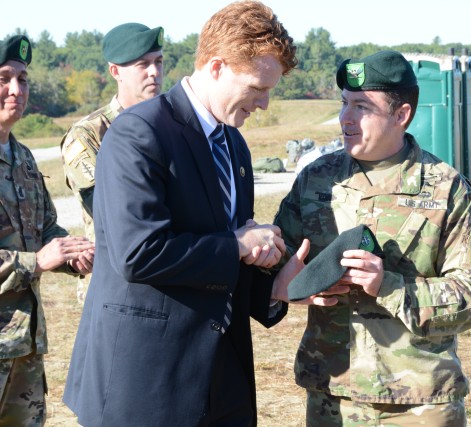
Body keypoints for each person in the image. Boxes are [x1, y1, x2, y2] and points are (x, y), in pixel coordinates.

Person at [63, 2, 340, 426]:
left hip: (220, 384)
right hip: (145, 387)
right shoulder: (139, 132)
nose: (264, 104)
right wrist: (238, 243)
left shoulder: (235, 146)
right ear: (216, 66)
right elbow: (137, 253)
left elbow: (220, 264)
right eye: (257, 88)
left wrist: (273, 290)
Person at [273, 50, 471, 426]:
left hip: (420, 402)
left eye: (361, 106)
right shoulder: (317, 180)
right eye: (344, 103)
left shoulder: (446, 190)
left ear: (401, 115)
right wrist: (289, 281)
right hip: (333, 398)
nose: (346, 118)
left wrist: (388, 285)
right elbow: (280, 262)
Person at [0, 35, 94, 425]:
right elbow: (39, 254)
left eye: (23, 79)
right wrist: (36, 262)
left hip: (23, 346)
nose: (16, 90)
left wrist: (77, 253)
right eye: (5, 77)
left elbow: (45, 227)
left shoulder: (21, 156)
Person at [60, 22, 164, 304]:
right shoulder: (89, 134)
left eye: (158, 62)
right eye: (143, 64)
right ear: (116, 72)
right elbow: (109, 208)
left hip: (167, 276)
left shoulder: (172, 125)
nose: (154, 72)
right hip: (116, 284)